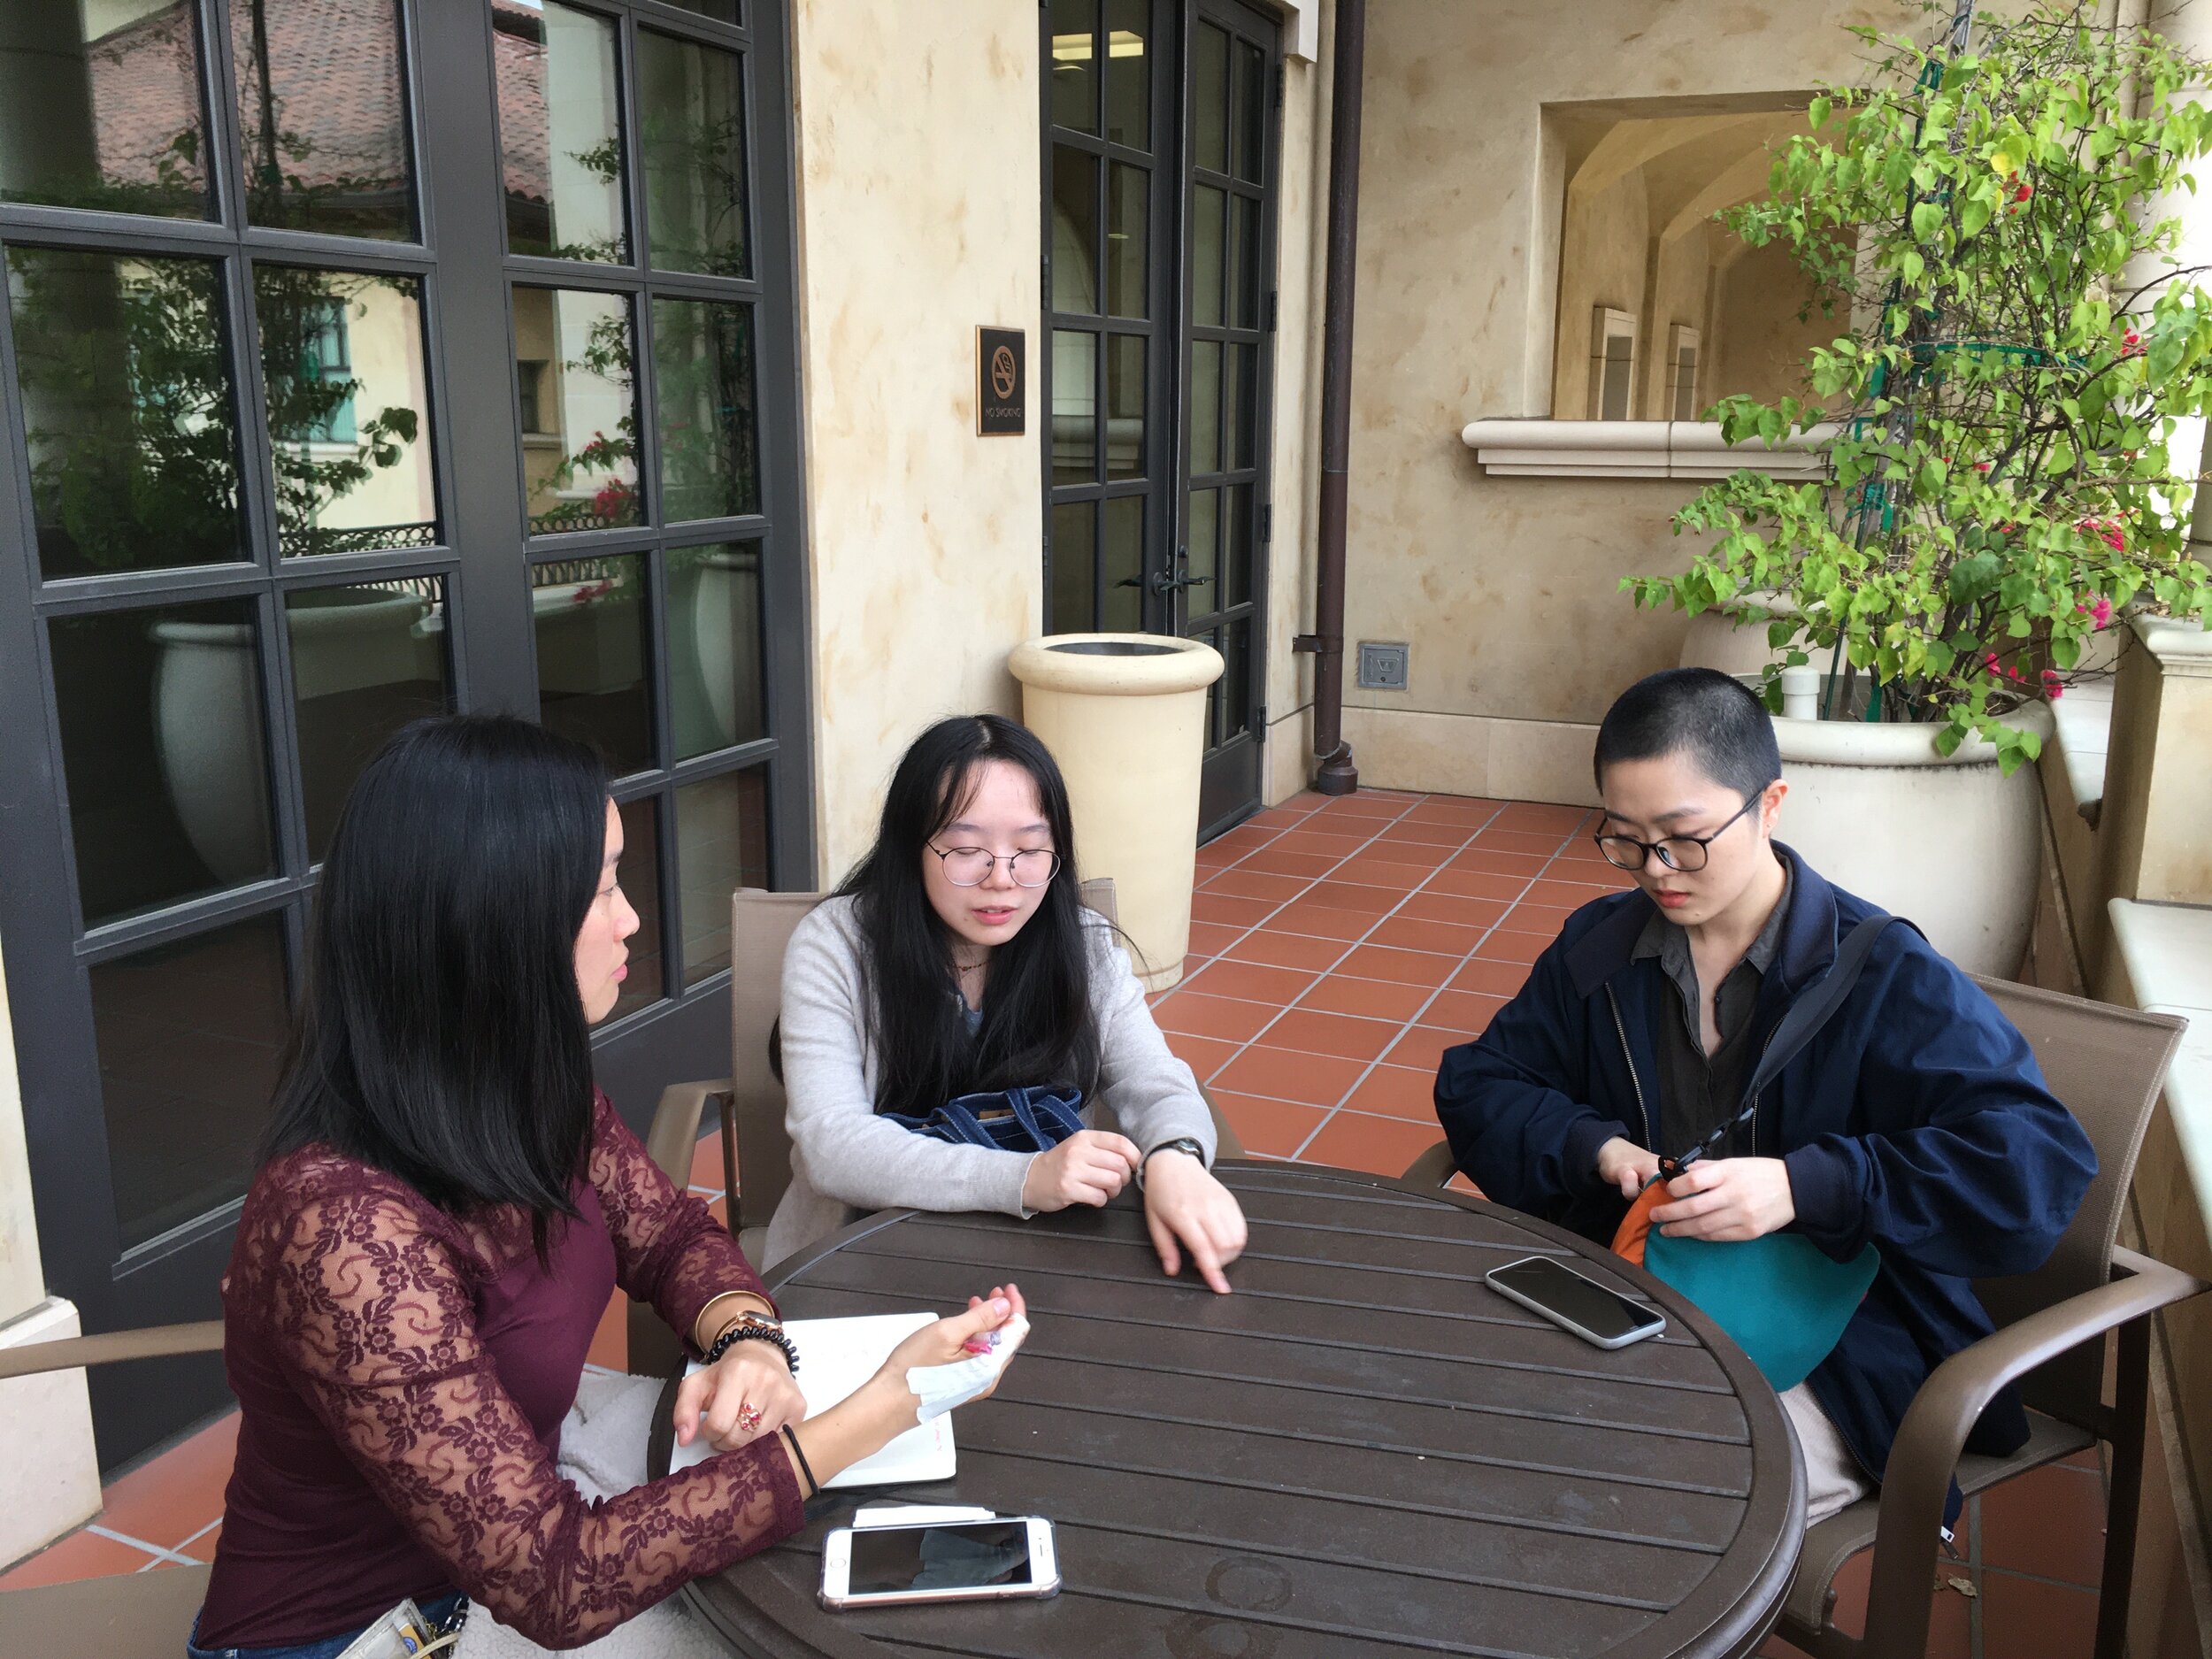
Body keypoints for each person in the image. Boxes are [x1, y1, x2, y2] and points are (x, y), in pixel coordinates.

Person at [192, 716, 1024, 1656]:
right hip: (387, 1629)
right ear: (488, 926)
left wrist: (748, 1341)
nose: (630, 919)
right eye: (599, 890)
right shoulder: (343, 1231)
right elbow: (557, 1585)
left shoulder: (523, 1089)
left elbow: (667, 1234)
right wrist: (880, 1409)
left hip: (522, 1515)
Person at [1433, 668, 2096, 1525]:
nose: (1657, 872)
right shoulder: (1599, 948)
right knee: (1471, 1444)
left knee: (1657, 1508)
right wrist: (1591, 1146)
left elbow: (2035, 1165)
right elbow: (1483, 1082)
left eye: (1684, 837)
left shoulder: (1886, 978)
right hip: (1636, 1296)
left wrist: (1804, 1187)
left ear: (1770, 803)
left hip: (1841, 1345)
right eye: (1625, 840)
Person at [767, 714, 1248, 1290]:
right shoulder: (836, 944)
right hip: (858, 1259)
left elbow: (1157, 1082)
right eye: (967, 849)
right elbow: (832, 1143)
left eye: (1030, 849)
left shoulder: (1083, 942)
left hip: (1048, 1259)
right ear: (910, 846)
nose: (1003, 878)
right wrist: (1023, 1176)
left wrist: (1176, 1155)